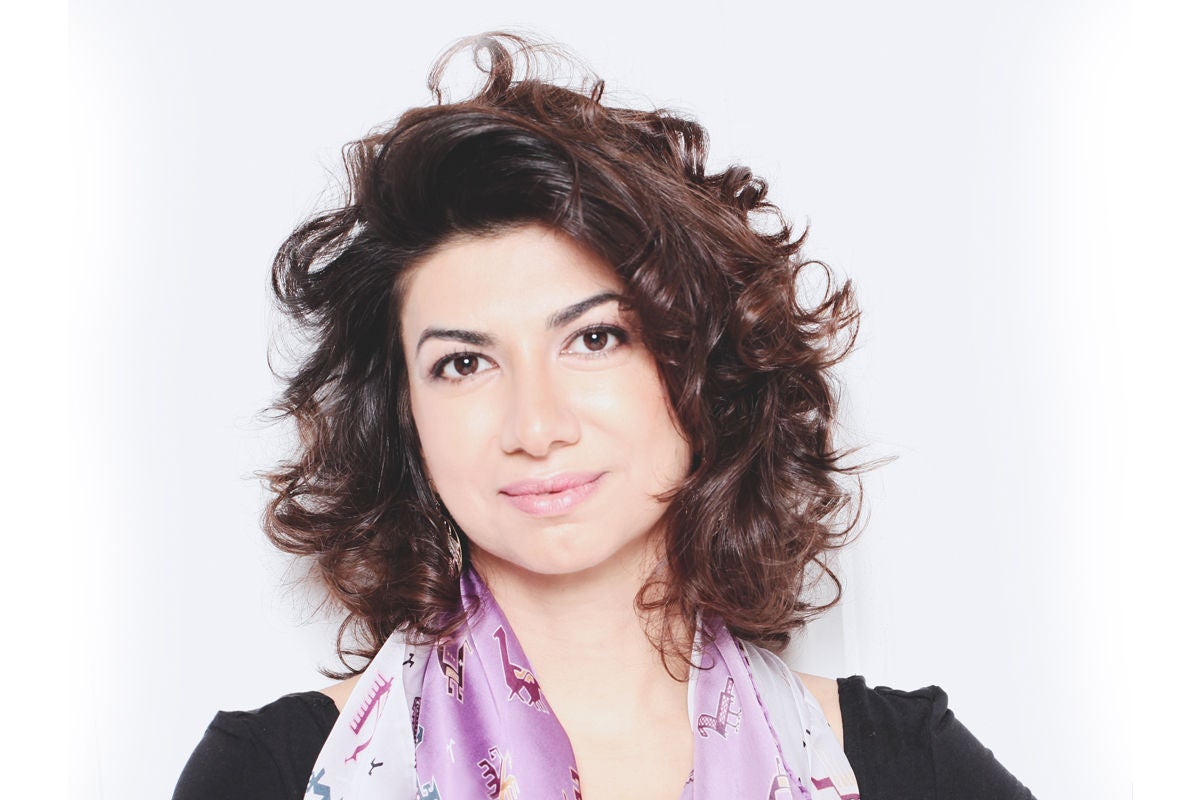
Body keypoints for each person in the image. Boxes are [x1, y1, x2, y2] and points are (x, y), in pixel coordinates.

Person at [173, 32, 1034, 800]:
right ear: (407, 420)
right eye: (464, 364)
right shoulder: (270, 775)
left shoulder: (906, 768)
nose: (536, 427)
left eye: (594, 339)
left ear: (701, 368)